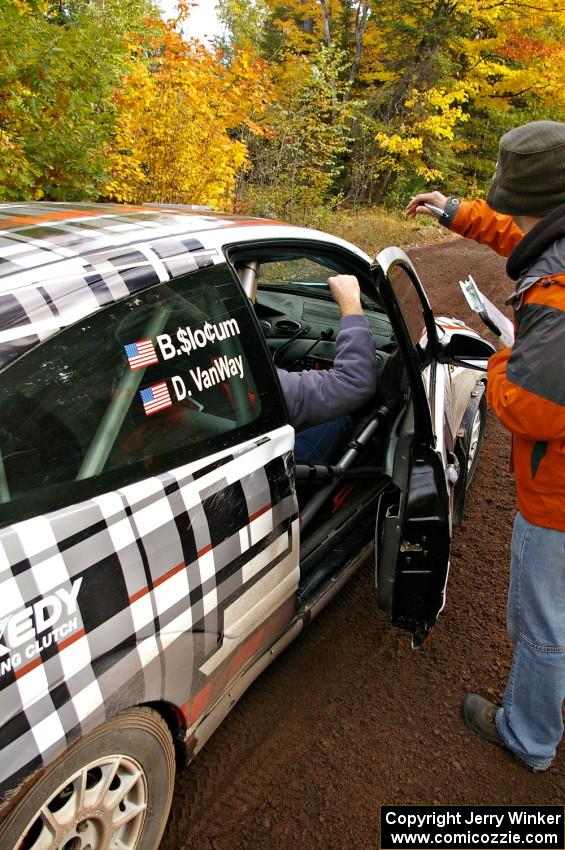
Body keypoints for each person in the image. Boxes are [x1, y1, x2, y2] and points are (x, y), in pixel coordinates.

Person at [406, 119, 565, 773]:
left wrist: (501, 355)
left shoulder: (555, 298)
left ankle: (527, 736)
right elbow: (522, 234)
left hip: (557, 499)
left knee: (541, 622)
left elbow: (531, 408)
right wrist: (453, 212)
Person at [277, 274, 377, 462]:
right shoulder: (239, 380)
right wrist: (349, 300)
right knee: (337, 415)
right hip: (284, 474)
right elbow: (353, 382)